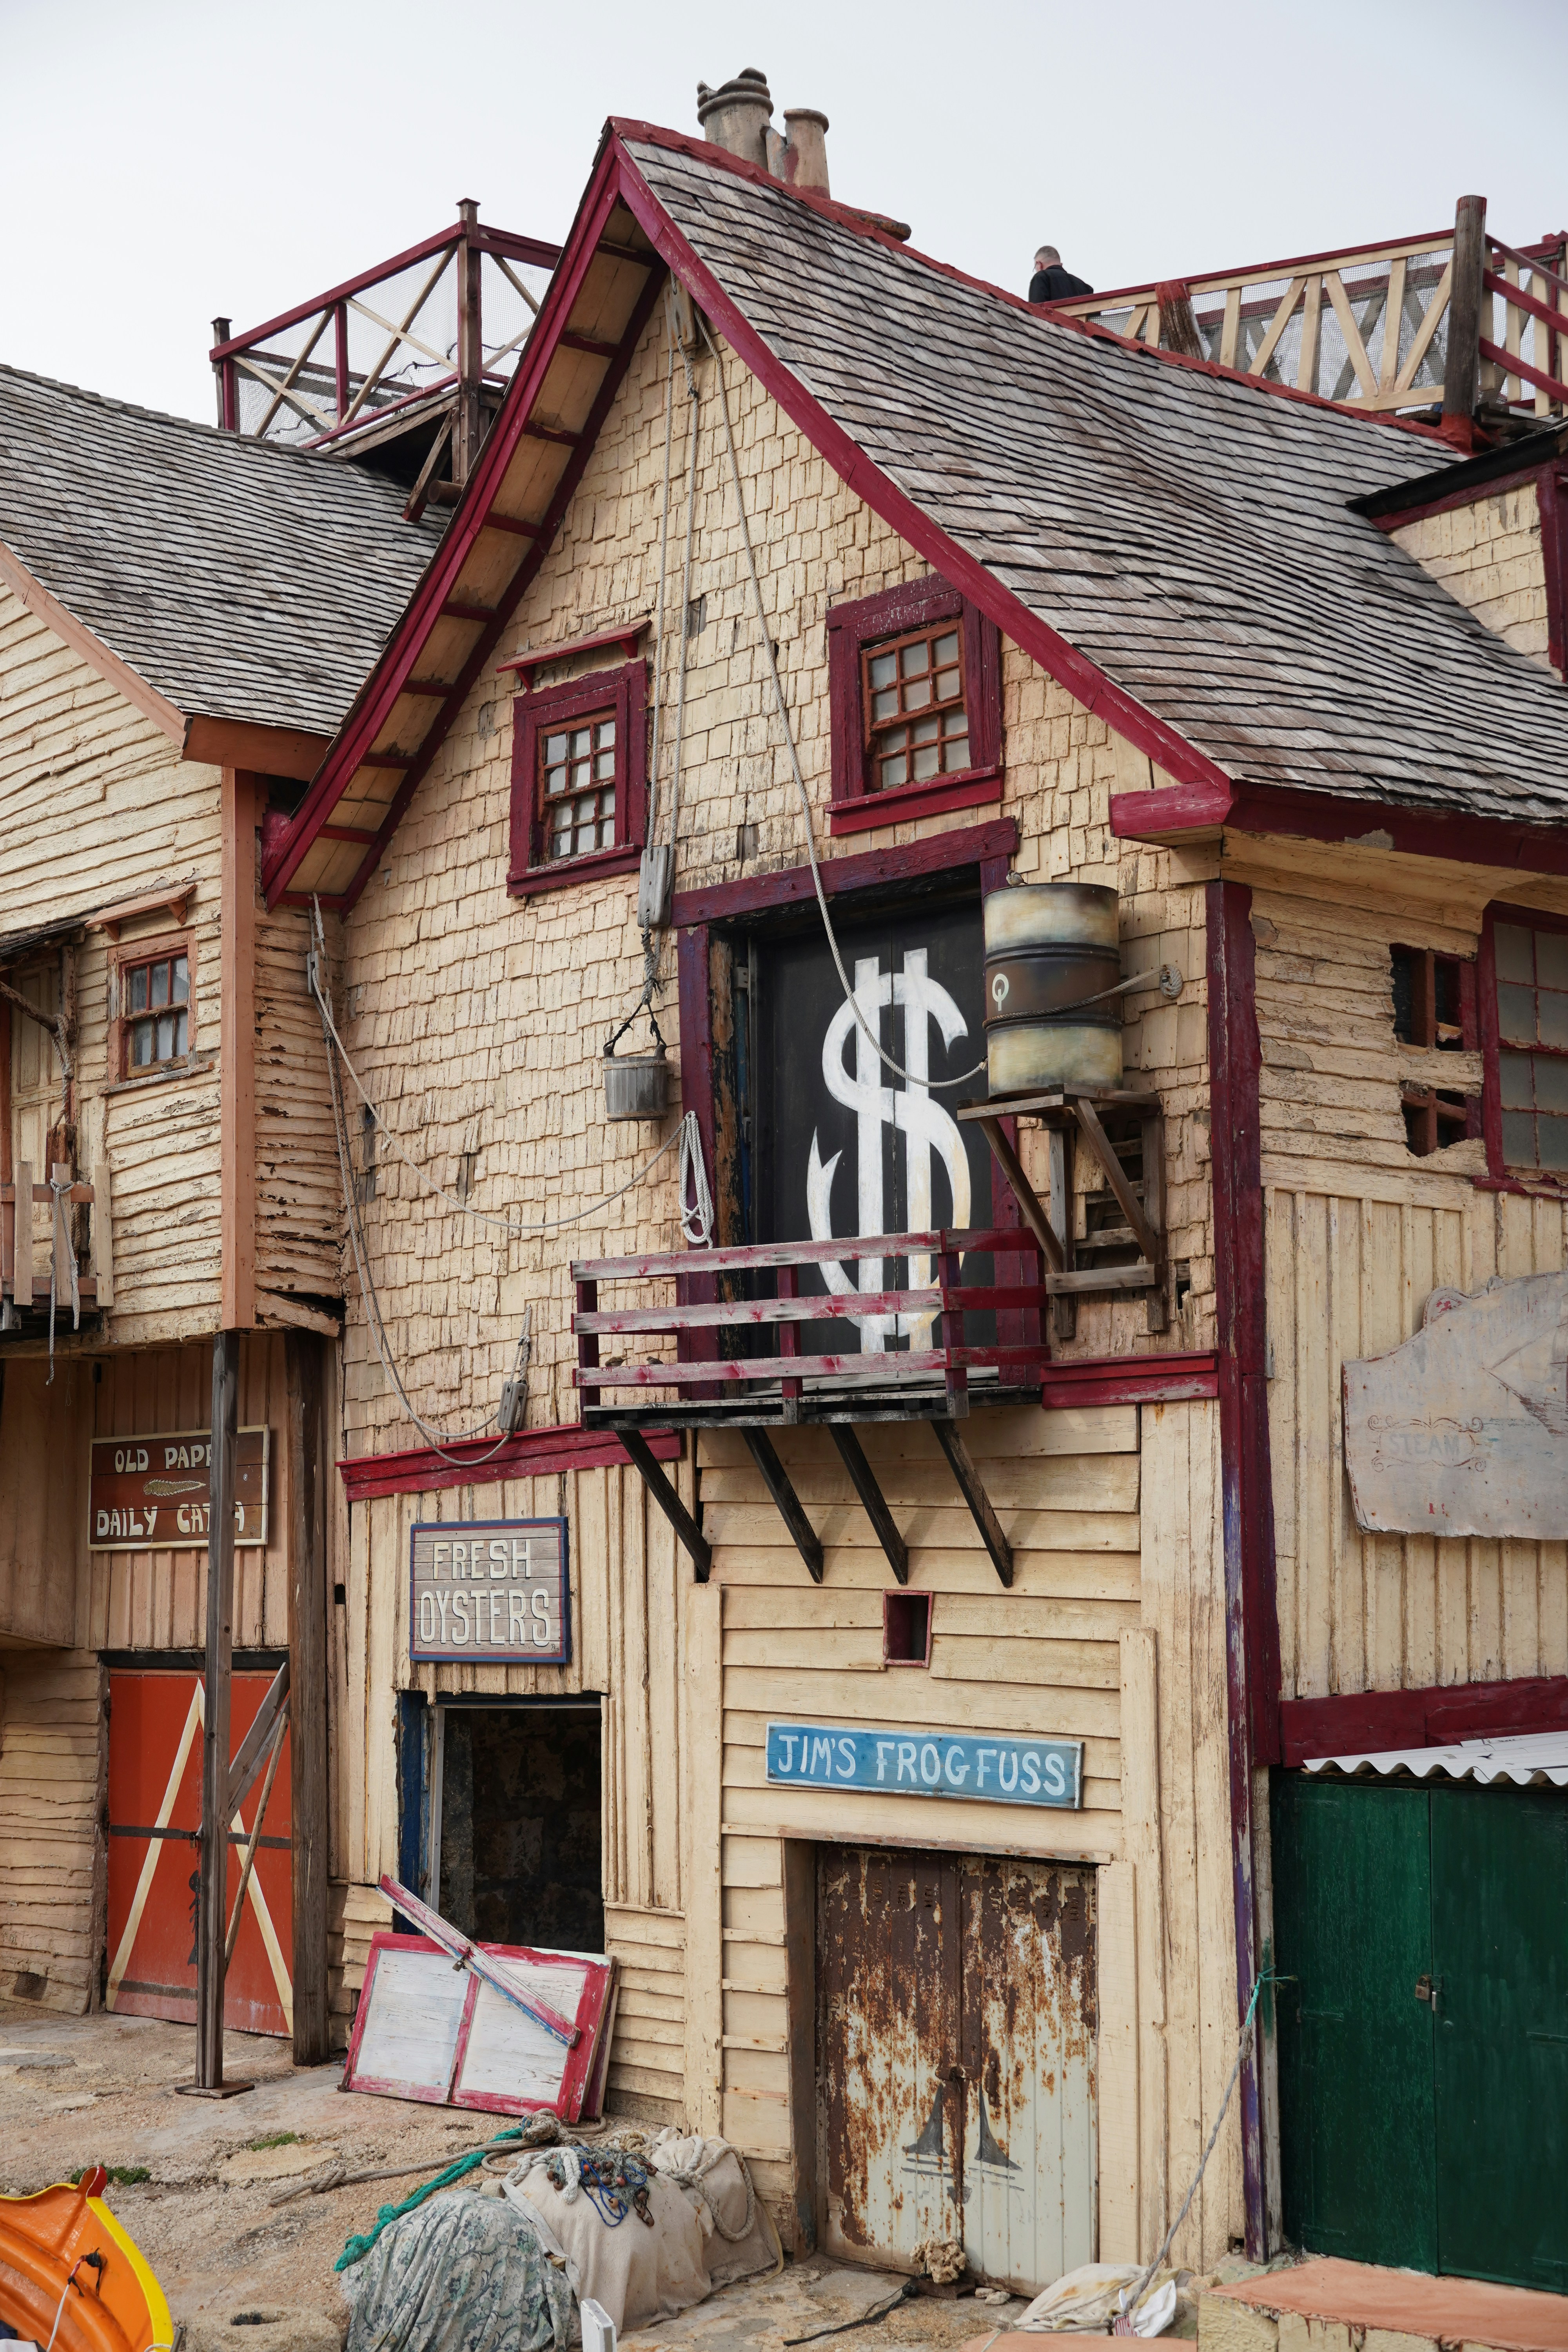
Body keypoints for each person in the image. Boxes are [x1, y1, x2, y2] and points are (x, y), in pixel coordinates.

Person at [1029, 245, 1093, 303]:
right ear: (1061, 265)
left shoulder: (1041, 278)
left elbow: (1036, 311)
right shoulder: (1085, 287)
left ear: (1039, 265)